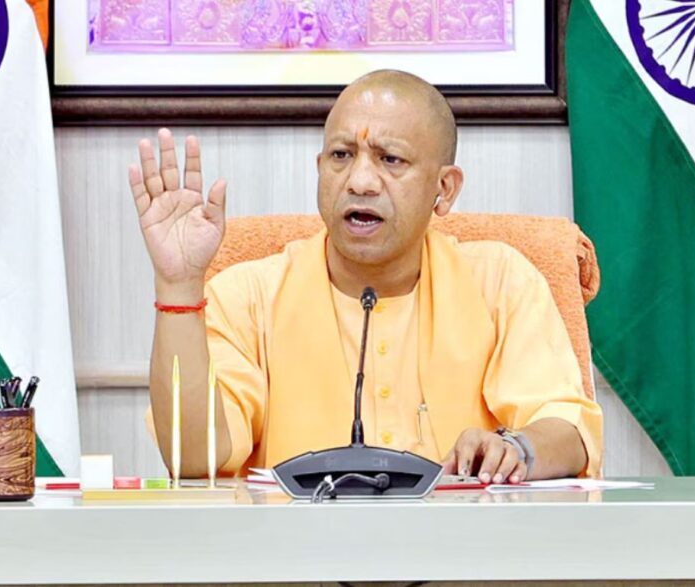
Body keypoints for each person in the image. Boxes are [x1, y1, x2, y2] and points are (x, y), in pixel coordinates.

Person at [128, 70, 603, 485]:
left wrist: (515, 450)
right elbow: (195, 459)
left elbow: (569, 431)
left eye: (390, 159)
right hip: (298, 552)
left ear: (444, 188)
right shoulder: (247, 297)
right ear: (320, 170)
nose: (359, 181)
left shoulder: (499, 282)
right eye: (341, 155)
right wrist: (178, 286)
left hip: (464, 546)